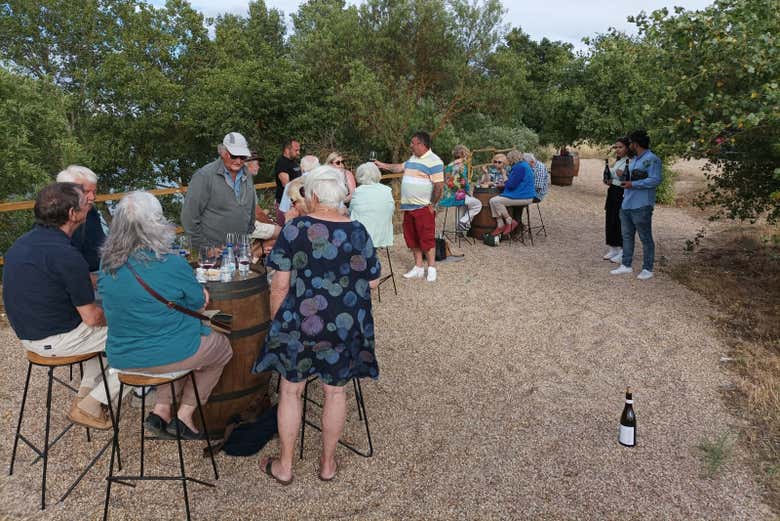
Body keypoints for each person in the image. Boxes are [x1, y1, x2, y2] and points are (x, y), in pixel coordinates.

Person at [252, 167, 381, 484]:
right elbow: (374, 281)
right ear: (341, 196)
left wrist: (276, 323)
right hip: (343, 323)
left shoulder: (295, 229)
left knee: (291, 390)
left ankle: (284, 466)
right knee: (335, 393)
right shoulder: (358, 231)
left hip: (299, 323)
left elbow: (280, 285)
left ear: (311, 196)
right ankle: (327, 465)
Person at [99, 191, 233, 439]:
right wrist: (201, 294)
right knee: (221, 347)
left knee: (172, 339)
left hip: (123, 357)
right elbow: (197, 304)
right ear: (156, 224)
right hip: (167, 353)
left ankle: (161, 410)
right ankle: (185, 415)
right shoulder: (171, 263)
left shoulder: (106, 265)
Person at [2, 183, 123, 430]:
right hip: (56, 341)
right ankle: (92, 402)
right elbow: (92, 317)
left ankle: (86, 391)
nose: (89, 203)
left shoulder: (22, 244)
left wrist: (95, 277)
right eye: (84, 202)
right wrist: (125, 316)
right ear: (72, 214)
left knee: (100, 336)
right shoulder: (67, 255)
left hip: (29, 335)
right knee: (143, 337)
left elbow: (52, 277)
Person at [374, 131, 444, 282]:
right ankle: (418, 267)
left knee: (427, 238)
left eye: (413, 143)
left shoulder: (435, 161)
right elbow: (399, 168)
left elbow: (439, 186)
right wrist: (381, 165)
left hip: (423, 207)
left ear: (421, 144)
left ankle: (431, 268)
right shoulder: (413, 158)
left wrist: (432, 204)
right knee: (412, 239)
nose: (410, 146)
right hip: (408, 207)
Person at [181, 132, 257, 250]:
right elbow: (189, 217)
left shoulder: (247, 174)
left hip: (240, 248)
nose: (238, 161)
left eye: (242, 157)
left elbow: (251, 207)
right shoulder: (204, 176)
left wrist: (248, 234)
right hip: (213, 251)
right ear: (222, 153)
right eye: (234, 156)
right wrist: (205, 247)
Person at [610, 129, 662, 281]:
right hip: (627, 203)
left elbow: (655, 180)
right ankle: (626, 265)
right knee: (627, 236)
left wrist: (634, 184)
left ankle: (648, 268)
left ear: (636, 144)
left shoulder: (652, 159)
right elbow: (629, 179)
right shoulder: (635, 160)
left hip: (642, 205)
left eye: (631, 142)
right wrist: (621, 178)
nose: (629, 145)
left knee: (645, 237)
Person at [56, 165, 106, 284]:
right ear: (66, 193)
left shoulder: (91, 212)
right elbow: (62, 265)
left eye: (94, 192)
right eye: (86, 192)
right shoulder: (57, 219)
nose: (92, 197)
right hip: (81, 280)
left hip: (102, 271)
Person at [488, 150, 537, 236]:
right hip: (523, 195)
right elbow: (515, 183)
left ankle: (509, 221)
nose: (507, 161)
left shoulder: (519, 167)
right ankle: (500, 225)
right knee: (492, 201)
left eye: (508, 159)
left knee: (495, 201)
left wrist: (504, 175)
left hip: (523, 197)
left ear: (512, 159)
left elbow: (511, 185)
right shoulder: (523, 165)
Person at [350, 162, 395, 248]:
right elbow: (392, 210)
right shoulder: (387, 190)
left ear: (360, 175)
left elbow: (351, 211)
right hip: (383, 233)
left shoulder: (358, 191)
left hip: (363, 235)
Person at [440, 145, 482, 232]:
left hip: (446, 196)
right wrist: (469, 192)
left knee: (464, 204)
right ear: (464, 154)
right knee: (477, 204)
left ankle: (459, 231)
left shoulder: (449, 165)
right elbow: (464, 183)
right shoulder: (462, 166)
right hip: (456, 196)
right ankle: (463, 222)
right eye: (467, 155)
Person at [602, 137, 630, 263]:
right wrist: (609, 180)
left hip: (622, 193)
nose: (617, 149)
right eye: (616, 147)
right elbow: (614, 177)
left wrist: (616, 177)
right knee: (610, 218)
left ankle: (623, 250)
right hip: (613, 191)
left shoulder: (630, 161)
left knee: (620, 220)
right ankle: (613, 247)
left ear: (627, 147)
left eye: (620, 147)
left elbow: (625, 179)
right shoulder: (619, 161)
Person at [273, 139, 302, 224]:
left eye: (299, 150)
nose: (298, 152)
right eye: (296, 150)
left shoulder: (294, 162)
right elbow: (287, 185)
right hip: (285, 205)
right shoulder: (282, 163)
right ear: (287, 150)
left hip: (296, 203)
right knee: (285, 231)